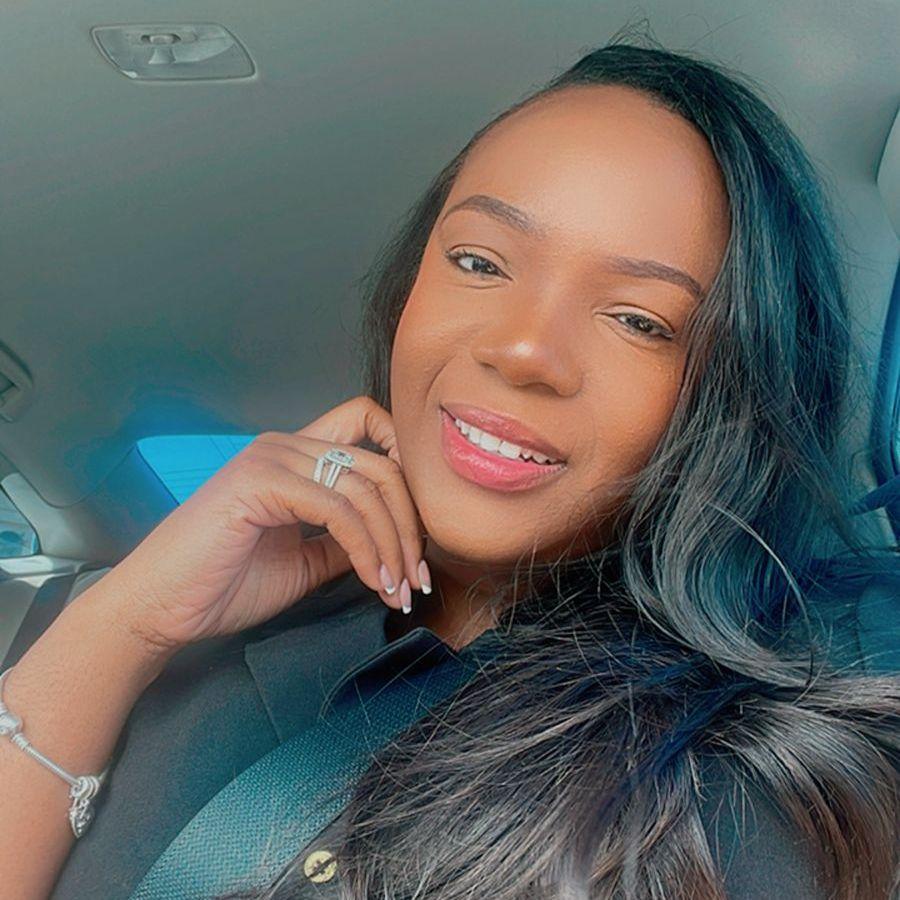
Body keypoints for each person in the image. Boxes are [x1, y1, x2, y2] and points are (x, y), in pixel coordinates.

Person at [2, 34, 899, 900]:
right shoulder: (212, 636)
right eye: (478, 261)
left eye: (638, 320)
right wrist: (127, 620)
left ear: (728, 400)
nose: (522, 349)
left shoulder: (735, 787)